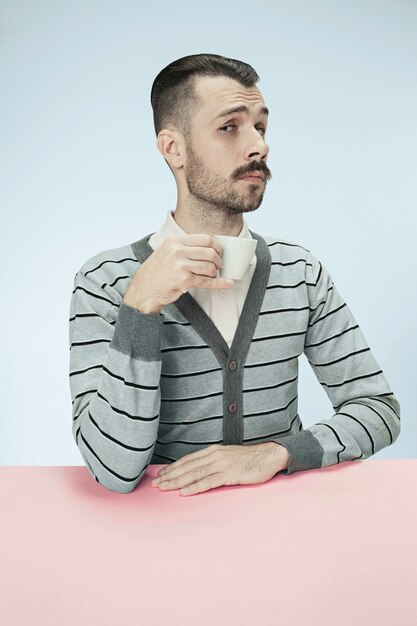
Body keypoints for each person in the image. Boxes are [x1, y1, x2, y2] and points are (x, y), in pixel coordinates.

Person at [68, 53, 400, 496]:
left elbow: (378, 408)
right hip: (158, 539)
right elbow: (113, 469)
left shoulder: (299, 272)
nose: (258, 146)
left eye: (260, 126)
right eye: (230, 127)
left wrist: (278, 453)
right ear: (174, 148)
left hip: (284, 532)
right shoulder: (105, 282)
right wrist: (141, 306)